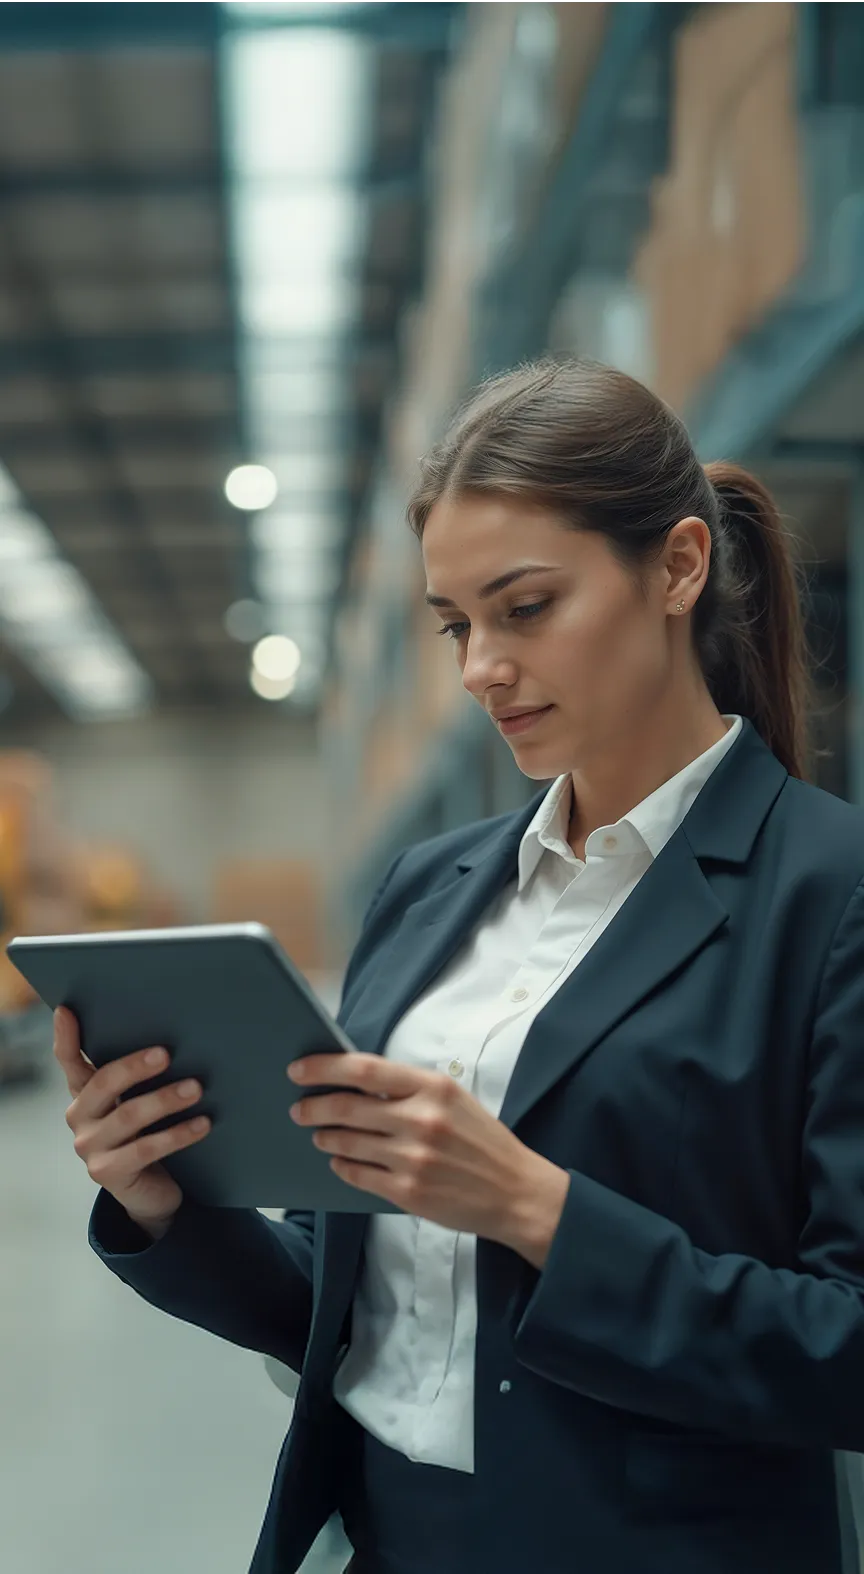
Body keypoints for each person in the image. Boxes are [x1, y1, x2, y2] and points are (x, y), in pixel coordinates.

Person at [57, 358, 864, 1574]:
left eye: (524, 606)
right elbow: (341, 1296)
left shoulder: (830, 895)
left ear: (678, 567)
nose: (481, 664)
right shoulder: (429, 889)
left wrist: (536, 1207)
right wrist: (165, 1198)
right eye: (455, 624)